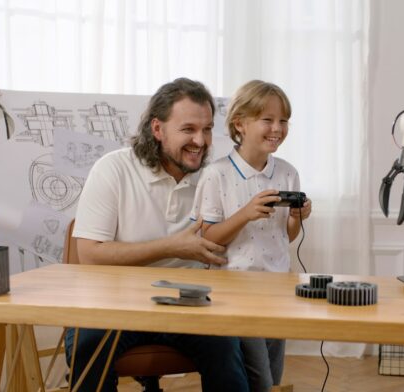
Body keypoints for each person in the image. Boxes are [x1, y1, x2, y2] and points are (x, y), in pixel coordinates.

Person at [65, 78, 249, 392]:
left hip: (189, 305)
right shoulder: (113, 169)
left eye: (206, 129)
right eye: (188, 129)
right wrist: (172, 247)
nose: (200, 141)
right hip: (114, 304)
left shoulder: (214, 176)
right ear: (157, 129)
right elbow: (90, 255)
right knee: (89, 346)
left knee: (227, 352)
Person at [191, 80, 312, 392]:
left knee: (273, 373)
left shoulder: (287, 172)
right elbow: (207, 238)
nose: (277, 128)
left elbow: (286, 235)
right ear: (240, 124)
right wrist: (245, 213)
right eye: (267, 120)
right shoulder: (217, 174)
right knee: (259, 377)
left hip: (278, 284)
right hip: (234, 289)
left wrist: (296, 218)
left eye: (283, 121)